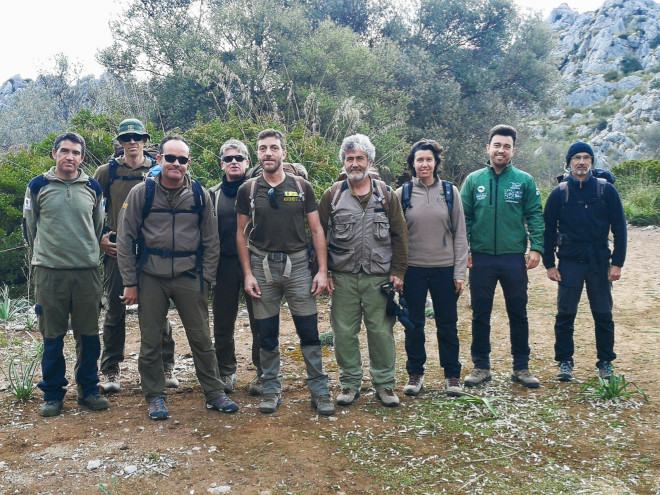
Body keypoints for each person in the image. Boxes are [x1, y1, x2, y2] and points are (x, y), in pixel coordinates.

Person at [117, 136, 238, 420]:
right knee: (150, 341)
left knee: (201, 339)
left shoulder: (199, 194)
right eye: (170, 158)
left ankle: (214, 392)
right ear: (159, 159)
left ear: (188, 164)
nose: (176, 164)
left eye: (182, 160)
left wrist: (206, 278)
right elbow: (125, 239)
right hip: (150, 277)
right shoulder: (141, 193)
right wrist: (130, 282)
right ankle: (155, 396)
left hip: (189, 276)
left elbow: (211, 240)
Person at [236, 129, 333, 415]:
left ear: (283, 153)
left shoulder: (302, 186)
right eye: (263, 148)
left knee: (309, 330)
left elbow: (316, 230)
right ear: (258, 153)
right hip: (262, 265)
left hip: (299, 265)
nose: (268, 153)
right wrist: (247, 274)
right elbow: (241, 235)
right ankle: (271, 388)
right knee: (266, 331)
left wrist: (322, 271)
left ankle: (319, 389)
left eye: (274, 148)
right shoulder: (249, 189)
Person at [23, 132, 110, 417]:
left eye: (75, 152)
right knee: (52, 337)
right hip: (50, 273)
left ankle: (89, 390)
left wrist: (87, 253)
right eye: (64, 151)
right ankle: (52, 394)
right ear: (54, 154)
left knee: (89, 335)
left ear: (82, 157)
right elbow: (30, 227)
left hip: (86, 272)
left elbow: (98, 227)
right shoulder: (38, 186)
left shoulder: (93, 187)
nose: (69, 157)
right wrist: (44, 257)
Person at [318, 134, 409, 407]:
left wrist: (399, 271)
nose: (354, 164)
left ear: (370, 161)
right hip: (342, 277)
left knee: (381, 331)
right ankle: (349, 383)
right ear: (344, 163)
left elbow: (400, 235)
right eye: (349, 159)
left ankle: (384, 385)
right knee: (344, 332)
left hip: (378, 277)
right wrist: (324, 271)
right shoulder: (332, 196)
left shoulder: (386, 194)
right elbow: (318, 235)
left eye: (359, 158)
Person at [93, 118, 177, 393]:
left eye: (136, 137)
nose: (131, 142)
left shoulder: (158, 168)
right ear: (120, 142)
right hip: (118, 249)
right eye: (126, 138)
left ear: (144, 140)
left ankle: (165, 366)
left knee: (156, 311)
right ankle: (110, 370)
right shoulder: (107, 172)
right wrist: (101, 238)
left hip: (151, 249)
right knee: (115, 312)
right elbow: (91, 208)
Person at [460, 124, 544, 388]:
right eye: (497, 145)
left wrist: (536, 247)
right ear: (488, 148)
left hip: (513, 259)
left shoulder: (524, 180)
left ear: (513, 150)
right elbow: (463, 219)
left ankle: (521, 367)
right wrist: (465, 251)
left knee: (518, 312)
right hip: (481, 259)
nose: (501, 150)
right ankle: (481, 367)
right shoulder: (474, 180)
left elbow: (534, 216)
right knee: (480, 314)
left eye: (506, 146)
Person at [543, 142, 627, 382]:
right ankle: (565, 361)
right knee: (565, 313)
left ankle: (605, 362)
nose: (581, 162)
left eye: (586, 158)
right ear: (569, 162)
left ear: (592, 161)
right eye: (577, 158)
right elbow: (548, 231)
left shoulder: (606, 191)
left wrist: (617, 263)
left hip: (599, 261)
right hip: (570, 262)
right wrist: (549, 264)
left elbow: (620, 229)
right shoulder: (559, 193)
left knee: (602, 313)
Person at [395, 139, 468, 397]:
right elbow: (394, 237)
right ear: (412, 164)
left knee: (447, 324)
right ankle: (415, 373)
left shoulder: (450, 192)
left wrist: (460, 272)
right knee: (413, 324)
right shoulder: (401, 194)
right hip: (412, 270)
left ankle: (452, 375)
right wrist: (397, 272)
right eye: (419, 160)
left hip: (444, 270)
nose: (424, 164)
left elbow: (460, 234)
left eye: (429, 159)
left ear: (436, 162)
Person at [208, 139, 261, 395]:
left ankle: (264, 372)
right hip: (224, 264)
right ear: (222, 164)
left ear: (247, 162)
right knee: (223, 320)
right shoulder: (212, 194)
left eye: (238, 158)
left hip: (256, 262)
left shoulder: (258, 189)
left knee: (260, 319)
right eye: (228, 159)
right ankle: (225, 371)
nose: (233, 162)